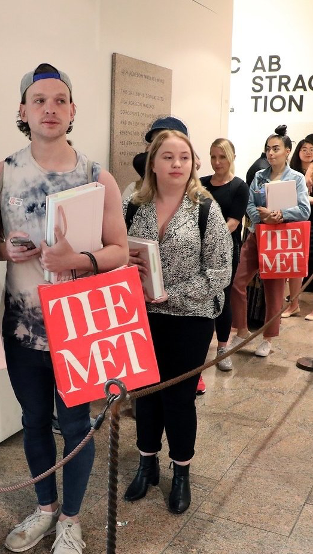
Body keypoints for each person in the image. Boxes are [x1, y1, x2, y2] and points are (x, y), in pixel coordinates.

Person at [0, 63, 128, 554]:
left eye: (59, 100)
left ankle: (71, 519)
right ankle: (45, 507)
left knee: (76, 426)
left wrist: (78, 260)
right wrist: (7, 249)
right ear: (22, 110)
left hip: (78, 327)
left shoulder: (96, 176)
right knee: (32, 421)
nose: (50, 108)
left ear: (72, 110)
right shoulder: (1, 173)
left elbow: (119, 251)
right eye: (39, 100)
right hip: (24, 328)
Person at [123, 130, 231, 514]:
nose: (176, 164)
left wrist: (175, 294)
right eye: (167, 157)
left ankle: (180, 470)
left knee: (179, 398)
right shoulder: (134, 205)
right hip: (141, 315)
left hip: (190, 316)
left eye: (184, 157)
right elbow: (117, 253)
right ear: (153, 162)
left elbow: (220, 271)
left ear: (193, 164)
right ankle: (146, 463)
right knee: (145, 395)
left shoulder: (205, 208)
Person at [230, 125, 311, 356]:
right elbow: (249, 203)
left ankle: (268, 338)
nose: (271, 153)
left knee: (274, 291)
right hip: (258, 236)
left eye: (276, 148)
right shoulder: (259, 176)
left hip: (281, 240)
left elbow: (304, 210)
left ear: (287, 151)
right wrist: (262, 218)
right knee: (237, 282)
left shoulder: (296, 178)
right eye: (268, 149)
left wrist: (281, 215)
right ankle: (242, 330)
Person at [199, 139, 248, 371]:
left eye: (222, 157)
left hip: (226, 251)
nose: (217, 162)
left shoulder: (239, 187)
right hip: (199, 251)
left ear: (232, 158)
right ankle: (200, 346)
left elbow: (233, 223)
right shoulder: (200, 184)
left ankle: (222, 347)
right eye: (213, 157)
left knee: (223, 297)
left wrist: (208, 237)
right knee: (202, 298)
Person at [281, 134, 313, 319]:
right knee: (295, 263)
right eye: (304, 149)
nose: (308, 152)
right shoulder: (291, 172)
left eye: (311, 149)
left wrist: (307, 199)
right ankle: (293, 304)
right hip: (296, 222)